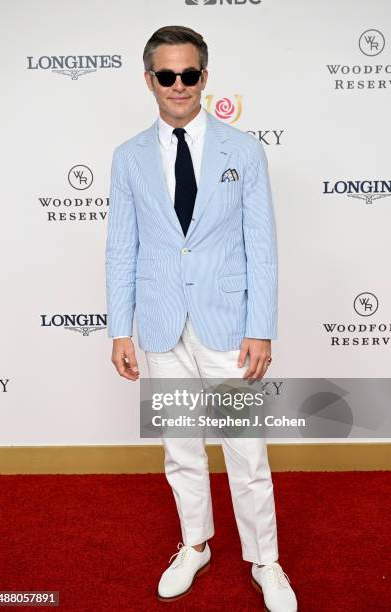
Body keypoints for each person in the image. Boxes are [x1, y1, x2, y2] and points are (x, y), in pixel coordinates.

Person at [105, 25, 297, 611]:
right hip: (161, 325)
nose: (179, 85)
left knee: (247, 451)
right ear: (149, 80)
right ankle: (195, 544)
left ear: (204, 77)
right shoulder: (128, 156)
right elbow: (122, 246)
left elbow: (260, 243)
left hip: (229, 325)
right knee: (181, 448)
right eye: (167, 75)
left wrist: (259, 324)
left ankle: (266, 560)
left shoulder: (243, 149)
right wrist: (120, 329)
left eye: (190, 74)